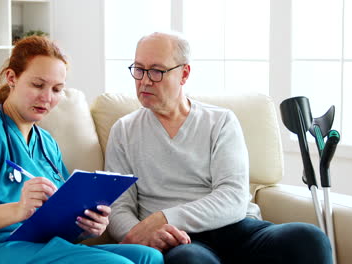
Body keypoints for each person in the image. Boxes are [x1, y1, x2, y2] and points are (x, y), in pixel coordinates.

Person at [105, 32, 333, 264]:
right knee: (189, 260)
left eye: (156, 71)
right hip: (183, 241)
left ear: (184, 74)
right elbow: (117, 208)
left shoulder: (220, 121)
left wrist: (164, 218)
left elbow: (233, 198)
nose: (144, 80)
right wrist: (145, 235)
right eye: (139, 69)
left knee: (310, 238)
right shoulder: (123, 131)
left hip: (237, 229)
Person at [0, 36, 163, 264]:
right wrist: (18, 210)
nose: (46, 98)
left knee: (148, 256)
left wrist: (90, 226)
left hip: (43, 247)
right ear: (12, 78)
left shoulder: (46, 142)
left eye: (56, 89)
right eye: (38, 85)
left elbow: (61, 217)